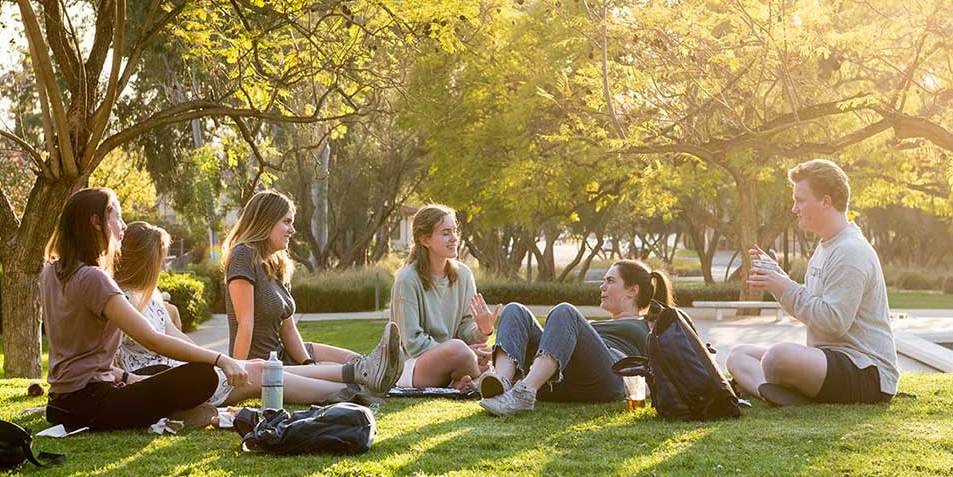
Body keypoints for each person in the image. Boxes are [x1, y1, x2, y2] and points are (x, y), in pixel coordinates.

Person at [40, 188, 249, 432]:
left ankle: (176, 411)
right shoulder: (93, 278)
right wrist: (220, 359)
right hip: (91, 404)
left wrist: (130, 378)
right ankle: (175, 413)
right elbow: (152, 339)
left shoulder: (51, 272)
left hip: (62, 400)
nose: (123, 225)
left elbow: (82, 357)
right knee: (203, 375)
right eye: (117, 217)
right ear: (96, 222)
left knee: (160, 371)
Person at [728, 159, 899, 406]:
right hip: (827, 361)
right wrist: (777, 278)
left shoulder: (851, 251)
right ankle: (780, 394)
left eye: (800, 200)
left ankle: (778, 392)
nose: (794, 208)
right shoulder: (825, 247)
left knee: (777, 357)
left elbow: (833, 322)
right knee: (738, 355)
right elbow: (812, 304)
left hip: (866, 371)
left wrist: (783, 286)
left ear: (826, 202)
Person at [223, 188, 405, 401]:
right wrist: (237, 372)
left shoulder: (278, 265)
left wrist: (308, 365)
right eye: (286, 222)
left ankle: (376, 372)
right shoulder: (243, 255)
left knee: (350, 359)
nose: (292, 230)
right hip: (263, 366)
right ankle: (366, 378)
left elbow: (288, 328)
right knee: (340, 378)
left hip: (284, 356)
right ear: (266, 221)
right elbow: (245, 323)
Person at [478, 260, 664, 417]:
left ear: (632, 290)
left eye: (610, 281)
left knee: (564, 310)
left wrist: (645, 387)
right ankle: (501, 381)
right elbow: (554, 342)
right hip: (559, 381)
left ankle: (523, 393)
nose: (602, 286)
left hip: (605, 379)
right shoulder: (589, 325)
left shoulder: (647, 326)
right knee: (514, 310)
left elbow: (663, 370)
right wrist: (513, 349)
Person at [113, 221, 229, 406]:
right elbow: (153, 342)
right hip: (156, 380)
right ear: (146, 263)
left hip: (176, 370)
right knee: (258, 373)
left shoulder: (150, 297)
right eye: (162, 261)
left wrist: (214, 360)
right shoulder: (118, 301)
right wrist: (218, 361)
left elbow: (178, 337)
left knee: (258, 366)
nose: (164, 268)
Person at [389, 204, 498, 389]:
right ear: (425, 240)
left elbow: (465, 328)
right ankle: (478, 378)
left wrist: (483, 330)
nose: (454, 238)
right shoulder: (407, 280)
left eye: (455, 231)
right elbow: (413, 343)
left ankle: (462, 381)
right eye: (446, 233)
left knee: (484, 353)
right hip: (410, 366)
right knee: (460, 351)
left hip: (453, 358)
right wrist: (462, 352)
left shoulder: (463, 274)